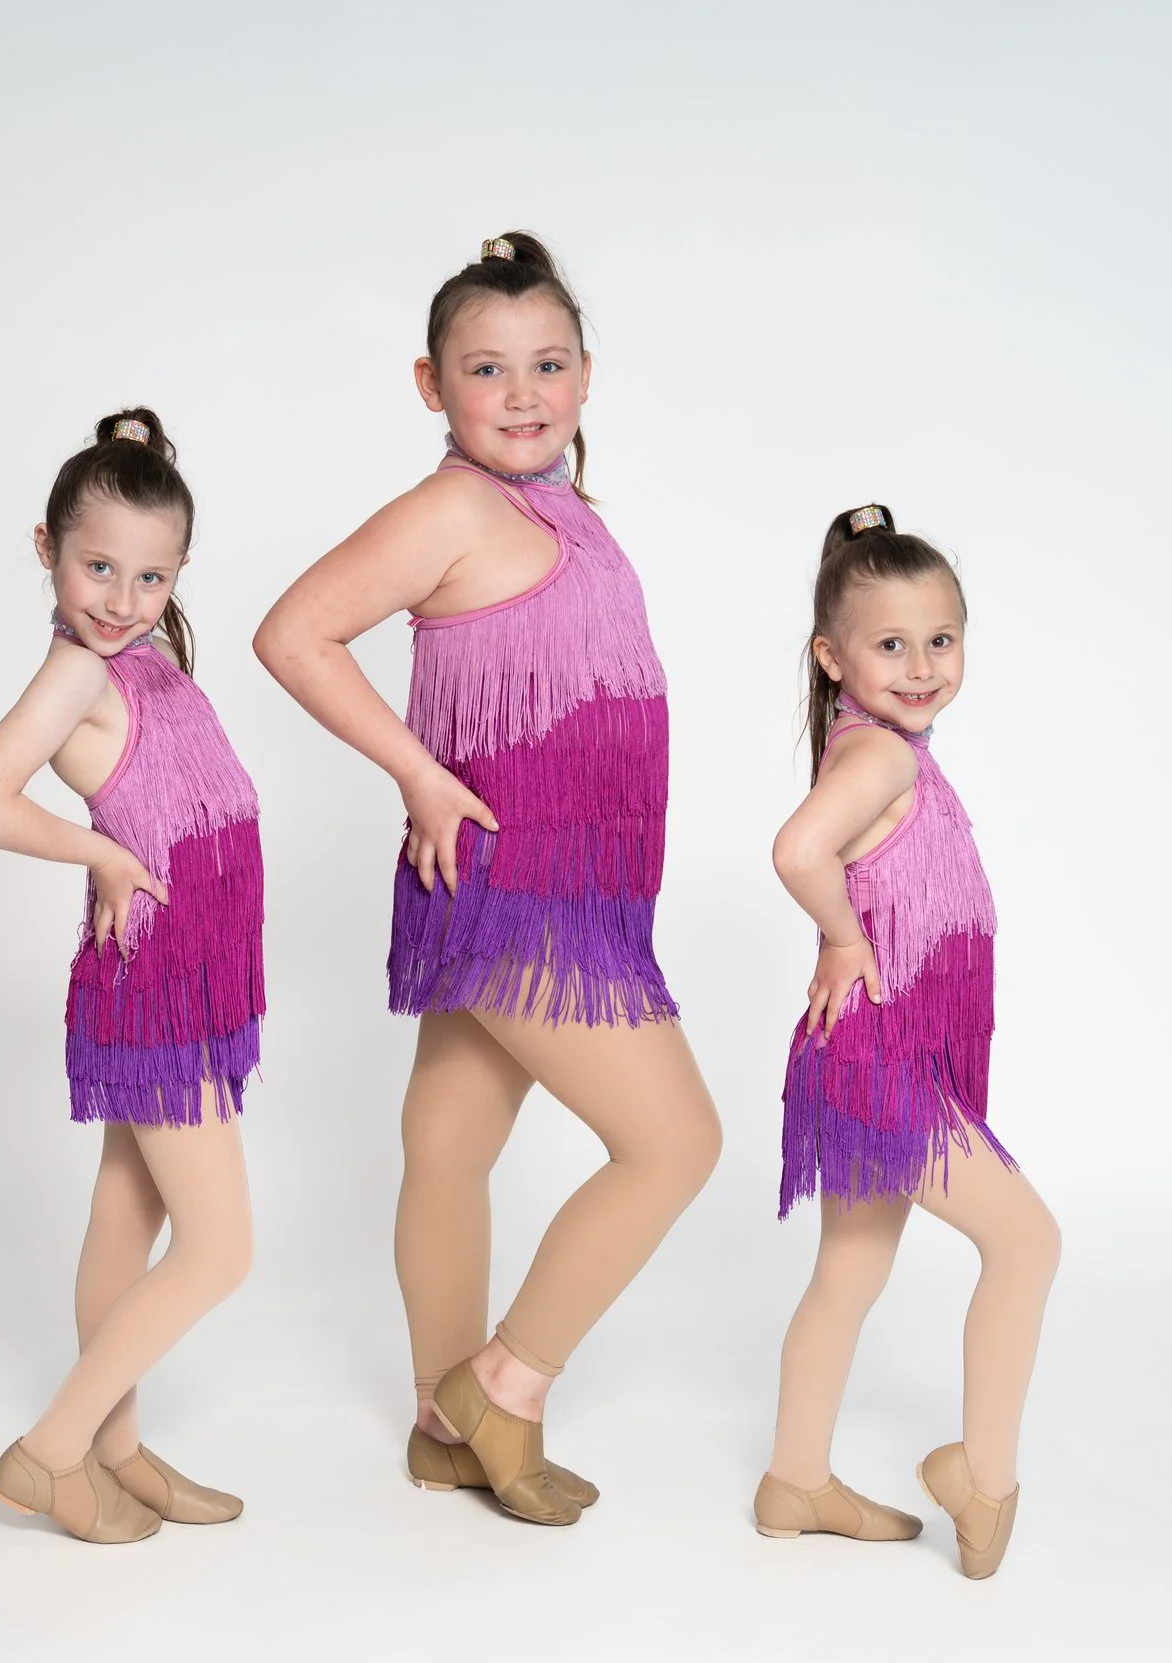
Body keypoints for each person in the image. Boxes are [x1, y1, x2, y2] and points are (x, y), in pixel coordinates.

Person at [253, 234, 721, 1526]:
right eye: (486, 368)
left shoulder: (558, 508)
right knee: (676, 1140)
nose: (522, 392)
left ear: (586, 375)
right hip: (518, 883)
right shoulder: (450, 507)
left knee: (448, 1143)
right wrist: (416, 770)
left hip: (573, 879)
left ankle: (433, 1423)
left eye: (548, 364)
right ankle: (501, 1388)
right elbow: (293, 631)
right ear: (430, 384)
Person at [0, 409, 260, 1544]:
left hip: (195, 977)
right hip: (154, 983)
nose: (122, 597)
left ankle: (119, 1453)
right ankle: (49, 1452)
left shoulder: (147, 656)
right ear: (46, 548)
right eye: (97, 566)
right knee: (220, 1247)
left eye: (149, 574)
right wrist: (102, 852)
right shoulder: (75, 674)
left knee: (125, 1212)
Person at [755, 504, 1060, 1577]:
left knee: (848, 1267)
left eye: (942, 639)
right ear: (833, 657)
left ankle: (795, 1478)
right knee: (1027, 1242)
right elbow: (798, 849)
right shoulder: (878, 758)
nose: (922, 664)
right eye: (890, 644)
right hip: (877, 1063)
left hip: (876, 1058)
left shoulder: (887, 749)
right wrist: (839, 935)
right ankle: (983, 1478)